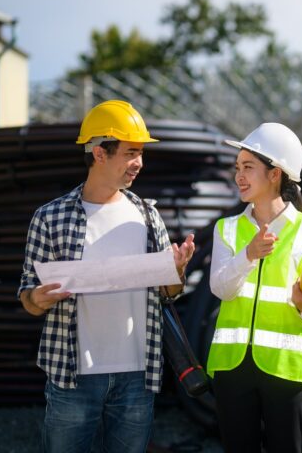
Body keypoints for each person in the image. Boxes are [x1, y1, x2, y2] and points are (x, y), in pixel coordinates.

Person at [17, 100, 195, 453]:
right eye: (131, 152)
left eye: (141, 153)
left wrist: (176, 270)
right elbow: (27, 295)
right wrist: (37, 298)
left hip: (137, 375)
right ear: (100, 153)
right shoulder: (50, 218)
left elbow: (168, 292)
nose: (139, 163)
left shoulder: (146, 216)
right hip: (73, 375)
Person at [207, 122, 302, 453]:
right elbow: (220, 288)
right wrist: (248, 255)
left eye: (248, 167)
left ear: (275, 173)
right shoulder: (228, 229)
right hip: (231, 368)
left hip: (287, 370)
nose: (239, 176)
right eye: (237, 168)